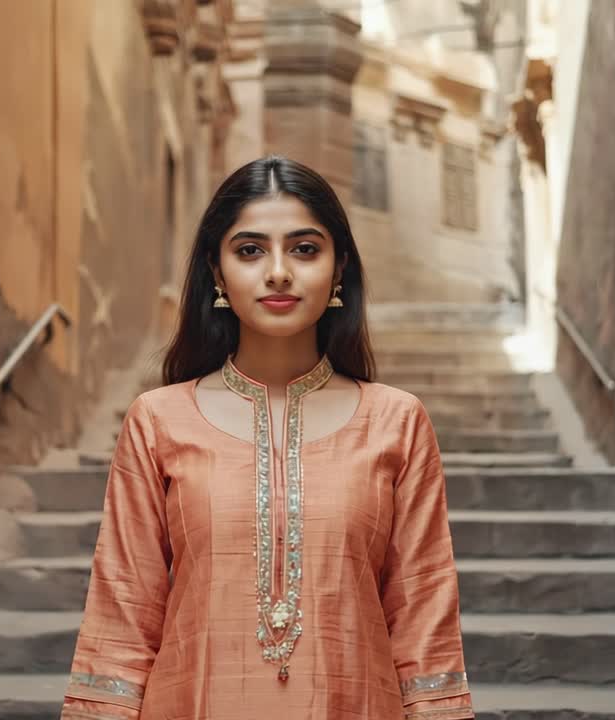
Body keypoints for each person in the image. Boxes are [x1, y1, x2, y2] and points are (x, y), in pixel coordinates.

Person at [60, 156, 472, 719]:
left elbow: (424, 618)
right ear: (216, 269)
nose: (278, 272)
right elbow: (122, 616)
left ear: (340, 266)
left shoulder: (396, 423)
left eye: (305, 249)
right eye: (250, 250)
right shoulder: (157, 422)